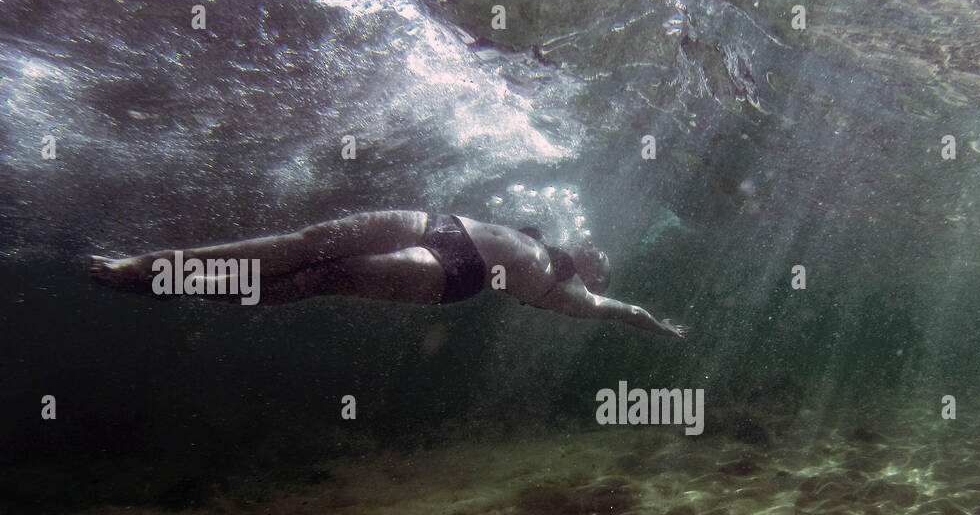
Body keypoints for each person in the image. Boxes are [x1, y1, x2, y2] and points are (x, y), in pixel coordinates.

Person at [89, 209, 688, 338]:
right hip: (440, 223)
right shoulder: (543, 232)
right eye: (599, 247)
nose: (599, 251)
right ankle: (146, 268)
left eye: (606, 262)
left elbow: (627, 313)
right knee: (307, 242)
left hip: (453, 275)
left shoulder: (575, 295)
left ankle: (170, 283)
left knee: (318, 276)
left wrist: (661, 327)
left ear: (598, 276)